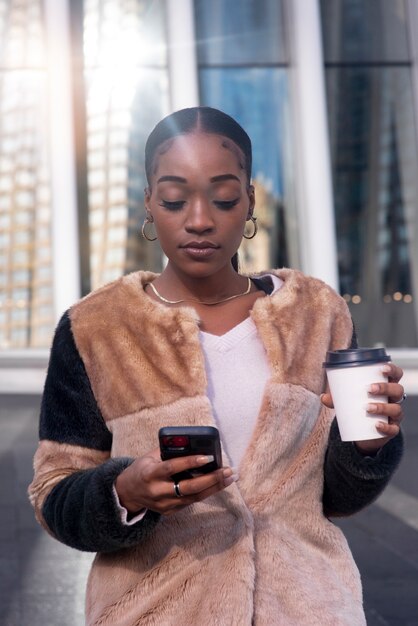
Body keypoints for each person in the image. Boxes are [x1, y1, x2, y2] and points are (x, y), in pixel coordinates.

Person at [29, 106, 405, 626]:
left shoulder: (316, 315)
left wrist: (369, 445)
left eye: (224, 197)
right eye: (175, 198)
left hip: (310, 606)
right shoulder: (96, 328)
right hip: (155, 611)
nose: (200, 219)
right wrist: (124, 492)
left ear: (250, 200)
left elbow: (337, 498)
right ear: (148, 203)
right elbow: (55, 493)